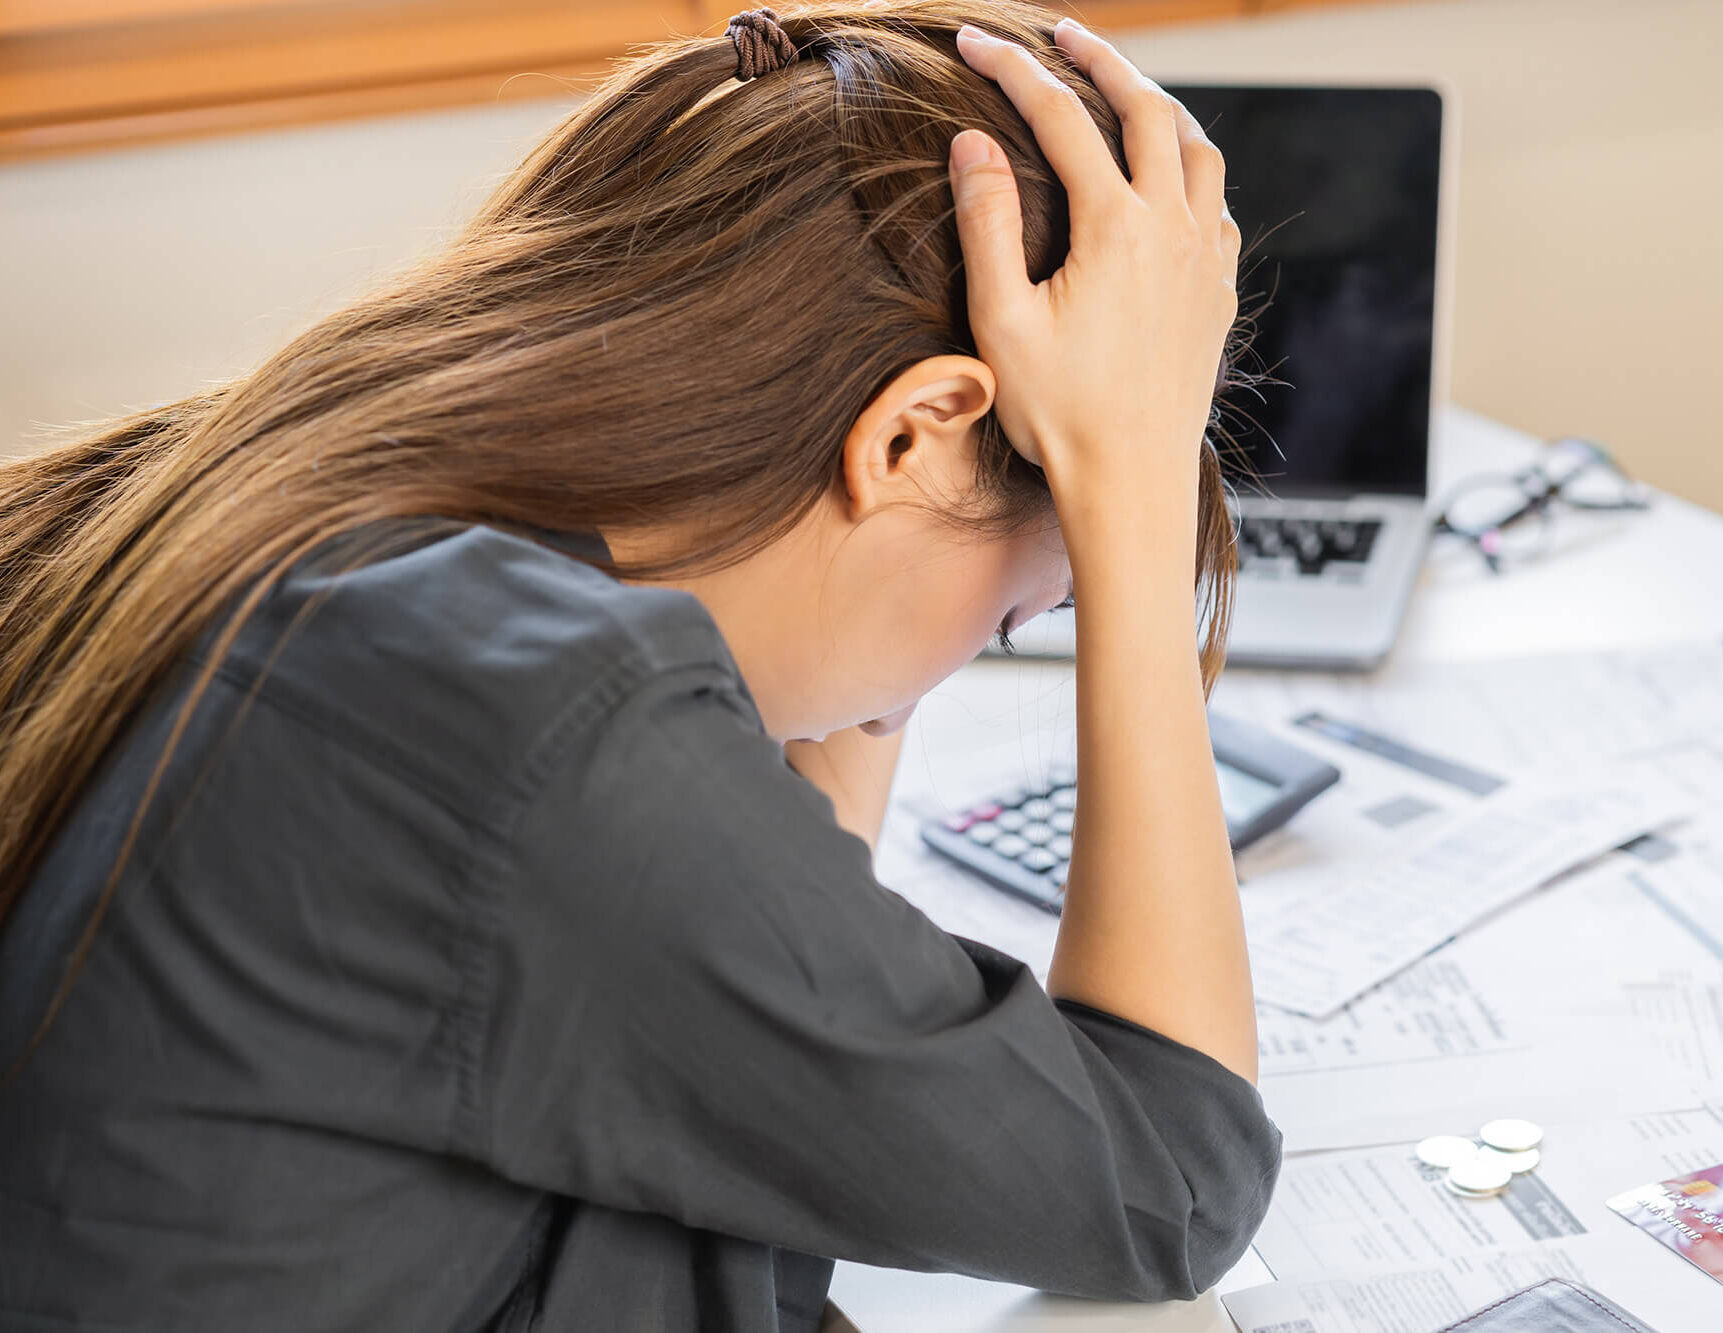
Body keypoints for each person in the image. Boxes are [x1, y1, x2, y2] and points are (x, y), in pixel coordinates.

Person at [0, 3, 1281, 1329]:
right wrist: (1127, 494)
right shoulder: (552, 733)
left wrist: (912, 594)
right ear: (915, 435)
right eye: (1021, 612)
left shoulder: (277, 517)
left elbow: (768, 1076)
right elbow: (1166, 1177)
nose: (935, 682)